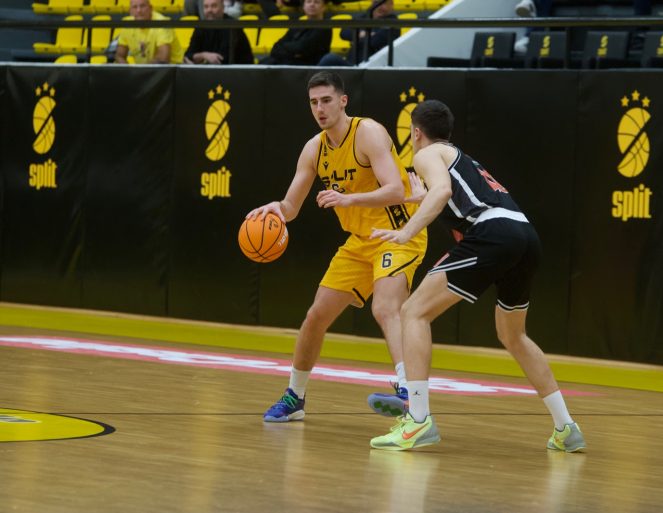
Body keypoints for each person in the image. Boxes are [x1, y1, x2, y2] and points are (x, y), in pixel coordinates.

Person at [368, 99, 585, 453]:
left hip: (493, 233)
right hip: (525, 235)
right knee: (513, 335)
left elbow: (443, 192)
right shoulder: (461, 158)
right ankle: (566, 427)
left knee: (413, 312)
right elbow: (447, 194)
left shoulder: (427, 154)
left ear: (416, 133)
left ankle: (418, 421)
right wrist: (421, 198)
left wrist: (406, 232)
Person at [246, 71, 428, 423]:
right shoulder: (314, 149)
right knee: (316, 316)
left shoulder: (368, 132)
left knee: (385, 307)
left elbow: (395, 189)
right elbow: (291, 207)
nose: (320, 108)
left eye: (326, 100)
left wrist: (348, 199)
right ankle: (295, 396)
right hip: (360, 241)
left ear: (343, 101)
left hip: (398, 232)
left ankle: (408, 390)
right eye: (314, 102)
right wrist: (276, 210)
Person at [317, 0, 400, 66]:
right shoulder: (365, 16)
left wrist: (357, 34)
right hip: (352, 63)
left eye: (383, 3)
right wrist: (365, 34)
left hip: (373, 66)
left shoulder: (393, 22)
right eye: (376, 2)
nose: (379, 6)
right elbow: (344, 32)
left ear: (391, 5)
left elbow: (375, 41)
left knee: (329, 59)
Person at [259, 0, 331, 65]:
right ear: (303, 7)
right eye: (308, 2)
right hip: (290, 62)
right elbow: (275, 47)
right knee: (265, 62)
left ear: (323, 7)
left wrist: (287, 48)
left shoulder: (325, 28)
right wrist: (294, 52)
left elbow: (302, 48)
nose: (312, 4)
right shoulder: (298, 25)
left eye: (316, 2)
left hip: (309, 67)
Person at [184, 0, 254, 64]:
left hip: (240, 71)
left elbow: (221, 60)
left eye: (214, 6)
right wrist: (204, 55)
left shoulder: (232, 26)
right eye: (206, 7)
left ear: (223, 8)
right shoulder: (201, 26)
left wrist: (198, 58)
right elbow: (188, 56)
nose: (209, 10)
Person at [115, 0, 184, 64]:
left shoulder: (162, 23)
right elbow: (120, 56)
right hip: (146, 71)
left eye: (142, 6)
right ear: (130, 11)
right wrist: (127, 70)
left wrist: (142, 71)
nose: (139, 10)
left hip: (175, 69)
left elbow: (163, 58)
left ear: (151, 8)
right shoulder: (127, 24)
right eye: (134, 7)